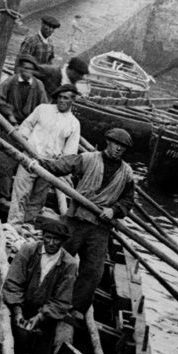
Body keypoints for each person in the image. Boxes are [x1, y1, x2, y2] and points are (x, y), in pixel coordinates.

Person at [32, 128, 136, 322]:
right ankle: (43, 296)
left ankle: (75, 308)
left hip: (100, 227)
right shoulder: (88, 159)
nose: (118, 149)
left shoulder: (127, 173)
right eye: (115, 144)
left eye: (122, 147)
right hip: (76, 220)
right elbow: (62, 166)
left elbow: (128, 201)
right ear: (108, 142)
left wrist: (114, 210)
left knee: (93, 270)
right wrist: (38, 162)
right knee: (57, 258)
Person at [2, 214, 77, 354]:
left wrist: (41, 316)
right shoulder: (28, 250)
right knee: (13, 337)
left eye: (56, 240)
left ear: (63, 242)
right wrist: (18, 311)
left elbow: (62, 301)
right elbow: (13, 283)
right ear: (42, 236)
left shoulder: (69, 264)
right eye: (48, 238)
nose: (51, 243)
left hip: (47, 317)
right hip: (20, 305)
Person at [8, 84, 81, 225]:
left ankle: (27, 225)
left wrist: (59, 164)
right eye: (59, 97)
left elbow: (70, 152)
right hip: (29, 157)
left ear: (73, 101)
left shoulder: (74, 123)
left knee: (38, 198)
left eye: (66, 98)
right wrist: (25, 142)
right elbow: (27, 126)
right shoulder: (43, 109)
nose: (61, 101)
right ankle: (13, 225)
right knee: (20, 194)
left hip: (50, 164)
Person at [0, 54, 48, 200]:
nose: (28, 72)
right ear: (19, 68)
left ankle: (21, 197)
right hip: (10, 128)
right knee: (5, 161)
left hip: (29, 129)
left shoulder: (38, 86)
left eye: (31, 69)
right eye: (25, 68)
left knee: (29, 164)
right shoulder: (10, 81)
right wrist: (9, 115)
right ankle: (3, 196)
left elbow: (44, 108)